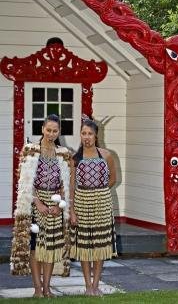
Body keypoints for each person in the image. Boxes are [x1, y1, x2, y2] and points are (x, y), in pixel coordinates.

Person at [10, 114, 71, 298]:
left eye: (55, 131)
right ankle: (37, 288)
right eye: (48, 130)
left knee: (50, 247)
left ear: (59, 132)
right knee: (36, 247)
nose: (51, 134)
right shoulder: (30, 150)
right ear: (42, 129)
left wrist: (59, 205)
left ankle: (47, 287)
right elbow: (24, 181)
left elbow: (65, 183)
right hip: (34, 203)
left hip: (54, 204)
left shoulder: (63, 153)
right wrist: (37, 202)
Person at [69, 118, 117, 296]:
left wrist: (99, 192)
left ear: (96, 136)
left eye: (90, 133)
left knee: (99, 245)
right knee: (84, 247)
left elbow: (112, 179)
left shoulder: (106, 155)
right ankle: (88, 285)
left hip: (102, 204)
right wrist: (72, 211)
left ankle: (96, 286)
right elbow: (71, 186)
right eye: (83, 133)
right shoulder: (75, 159)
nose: (86, 137)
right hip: (81, 203)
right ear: (80, 135)